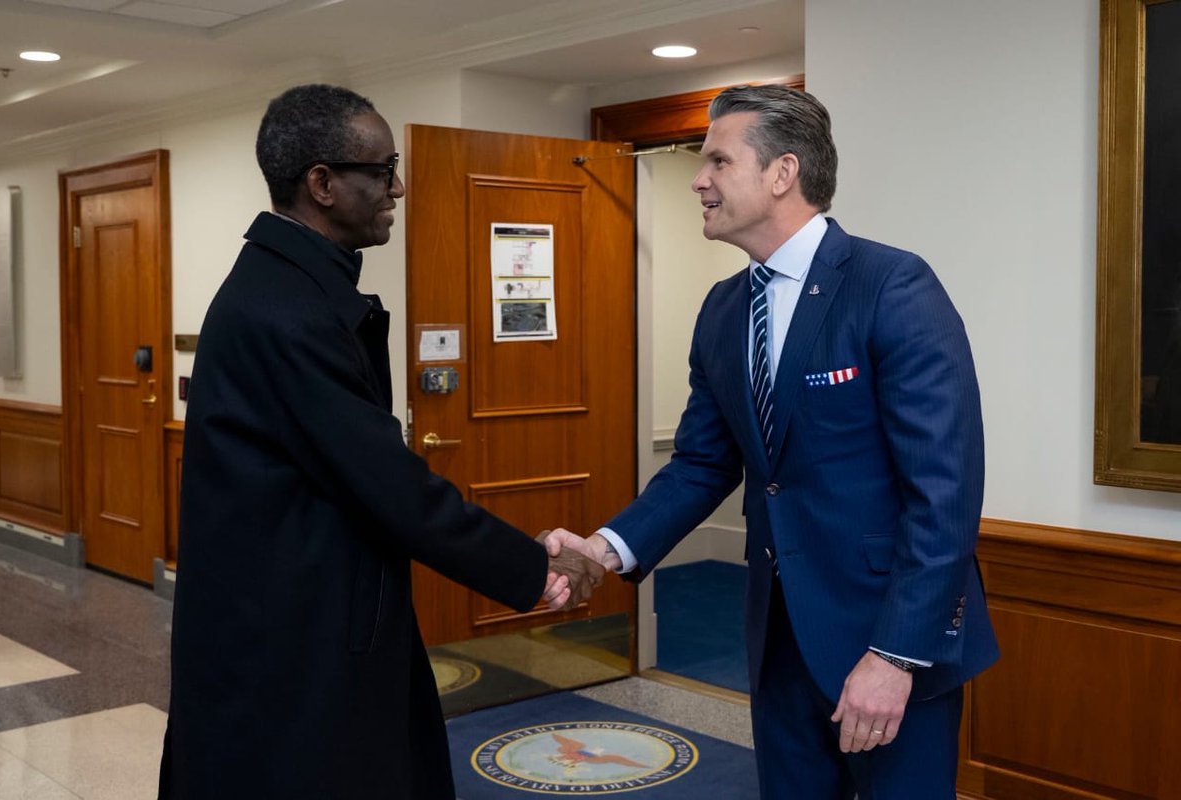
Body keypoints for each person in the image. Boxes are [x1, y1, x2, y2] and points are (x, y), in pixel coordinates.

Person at [546, 84, 999, 798]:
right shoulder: (725, 310)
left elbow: (944, 493)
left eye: (718, 161)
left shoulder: (892, 286)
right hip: (778, 640)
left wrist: (895, 656)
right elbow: (701, 463)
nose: (699, 179)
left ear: (783, 173)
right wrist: (605, 550)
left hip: (888, 642)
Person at [159, 84, 601, 800]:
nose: (397, 186)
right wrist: (533, 566)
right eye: (382, 169)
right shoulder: (288, 311)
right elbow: (389, 485)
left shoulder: (287, 288)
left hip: (302, 622)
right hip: (294, 642)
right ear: (323, 184)